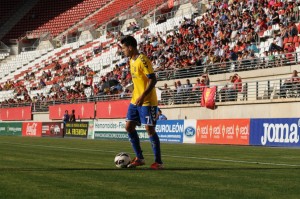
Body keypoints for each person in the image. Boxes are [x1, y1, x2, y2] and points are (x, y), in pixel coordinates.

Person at [121, 35, 163, 169]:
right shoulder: (131, 61)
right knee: (128, 127)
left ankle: (159, 162)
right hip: (135, 100)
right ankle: (139, 158)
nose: (123, 51)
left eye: (124, 48)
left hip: (147, 101)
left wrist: (143, 96)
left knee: (149, 129)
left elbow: (153, 79)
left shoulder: (143, 60)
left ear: (130, 47)